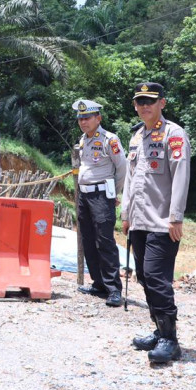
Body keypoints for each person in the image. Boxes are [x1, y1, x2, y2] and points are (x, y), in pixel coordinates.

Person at [121, 82, 191, 363]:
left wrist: (176, 217)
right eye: (139, 101)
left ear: (162, 103)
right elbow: (130, 178)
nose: (144, 106)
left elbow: (181, 175)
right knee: (143, 276)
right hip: (138, 221)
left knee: (157, 279)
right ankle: (159, 328)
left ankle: (170, 340)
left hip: (162, 222)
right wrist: (125, 215)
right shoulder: (137, 137)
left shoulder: (174, 134)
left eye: (150, 100)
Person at [73, 99, 128, 308]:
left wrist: (115, 191)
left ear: (98, 118)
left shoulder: (109, 139)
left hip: (101, 195)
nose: (83, 122)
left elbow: (121, 168)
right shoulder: (83, 139)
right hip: (84, 196)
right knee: (88, 240)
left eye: (87, 118)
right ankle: (98, 283)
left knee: (105, 241)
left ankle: (114, 289)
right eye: (80, 118)